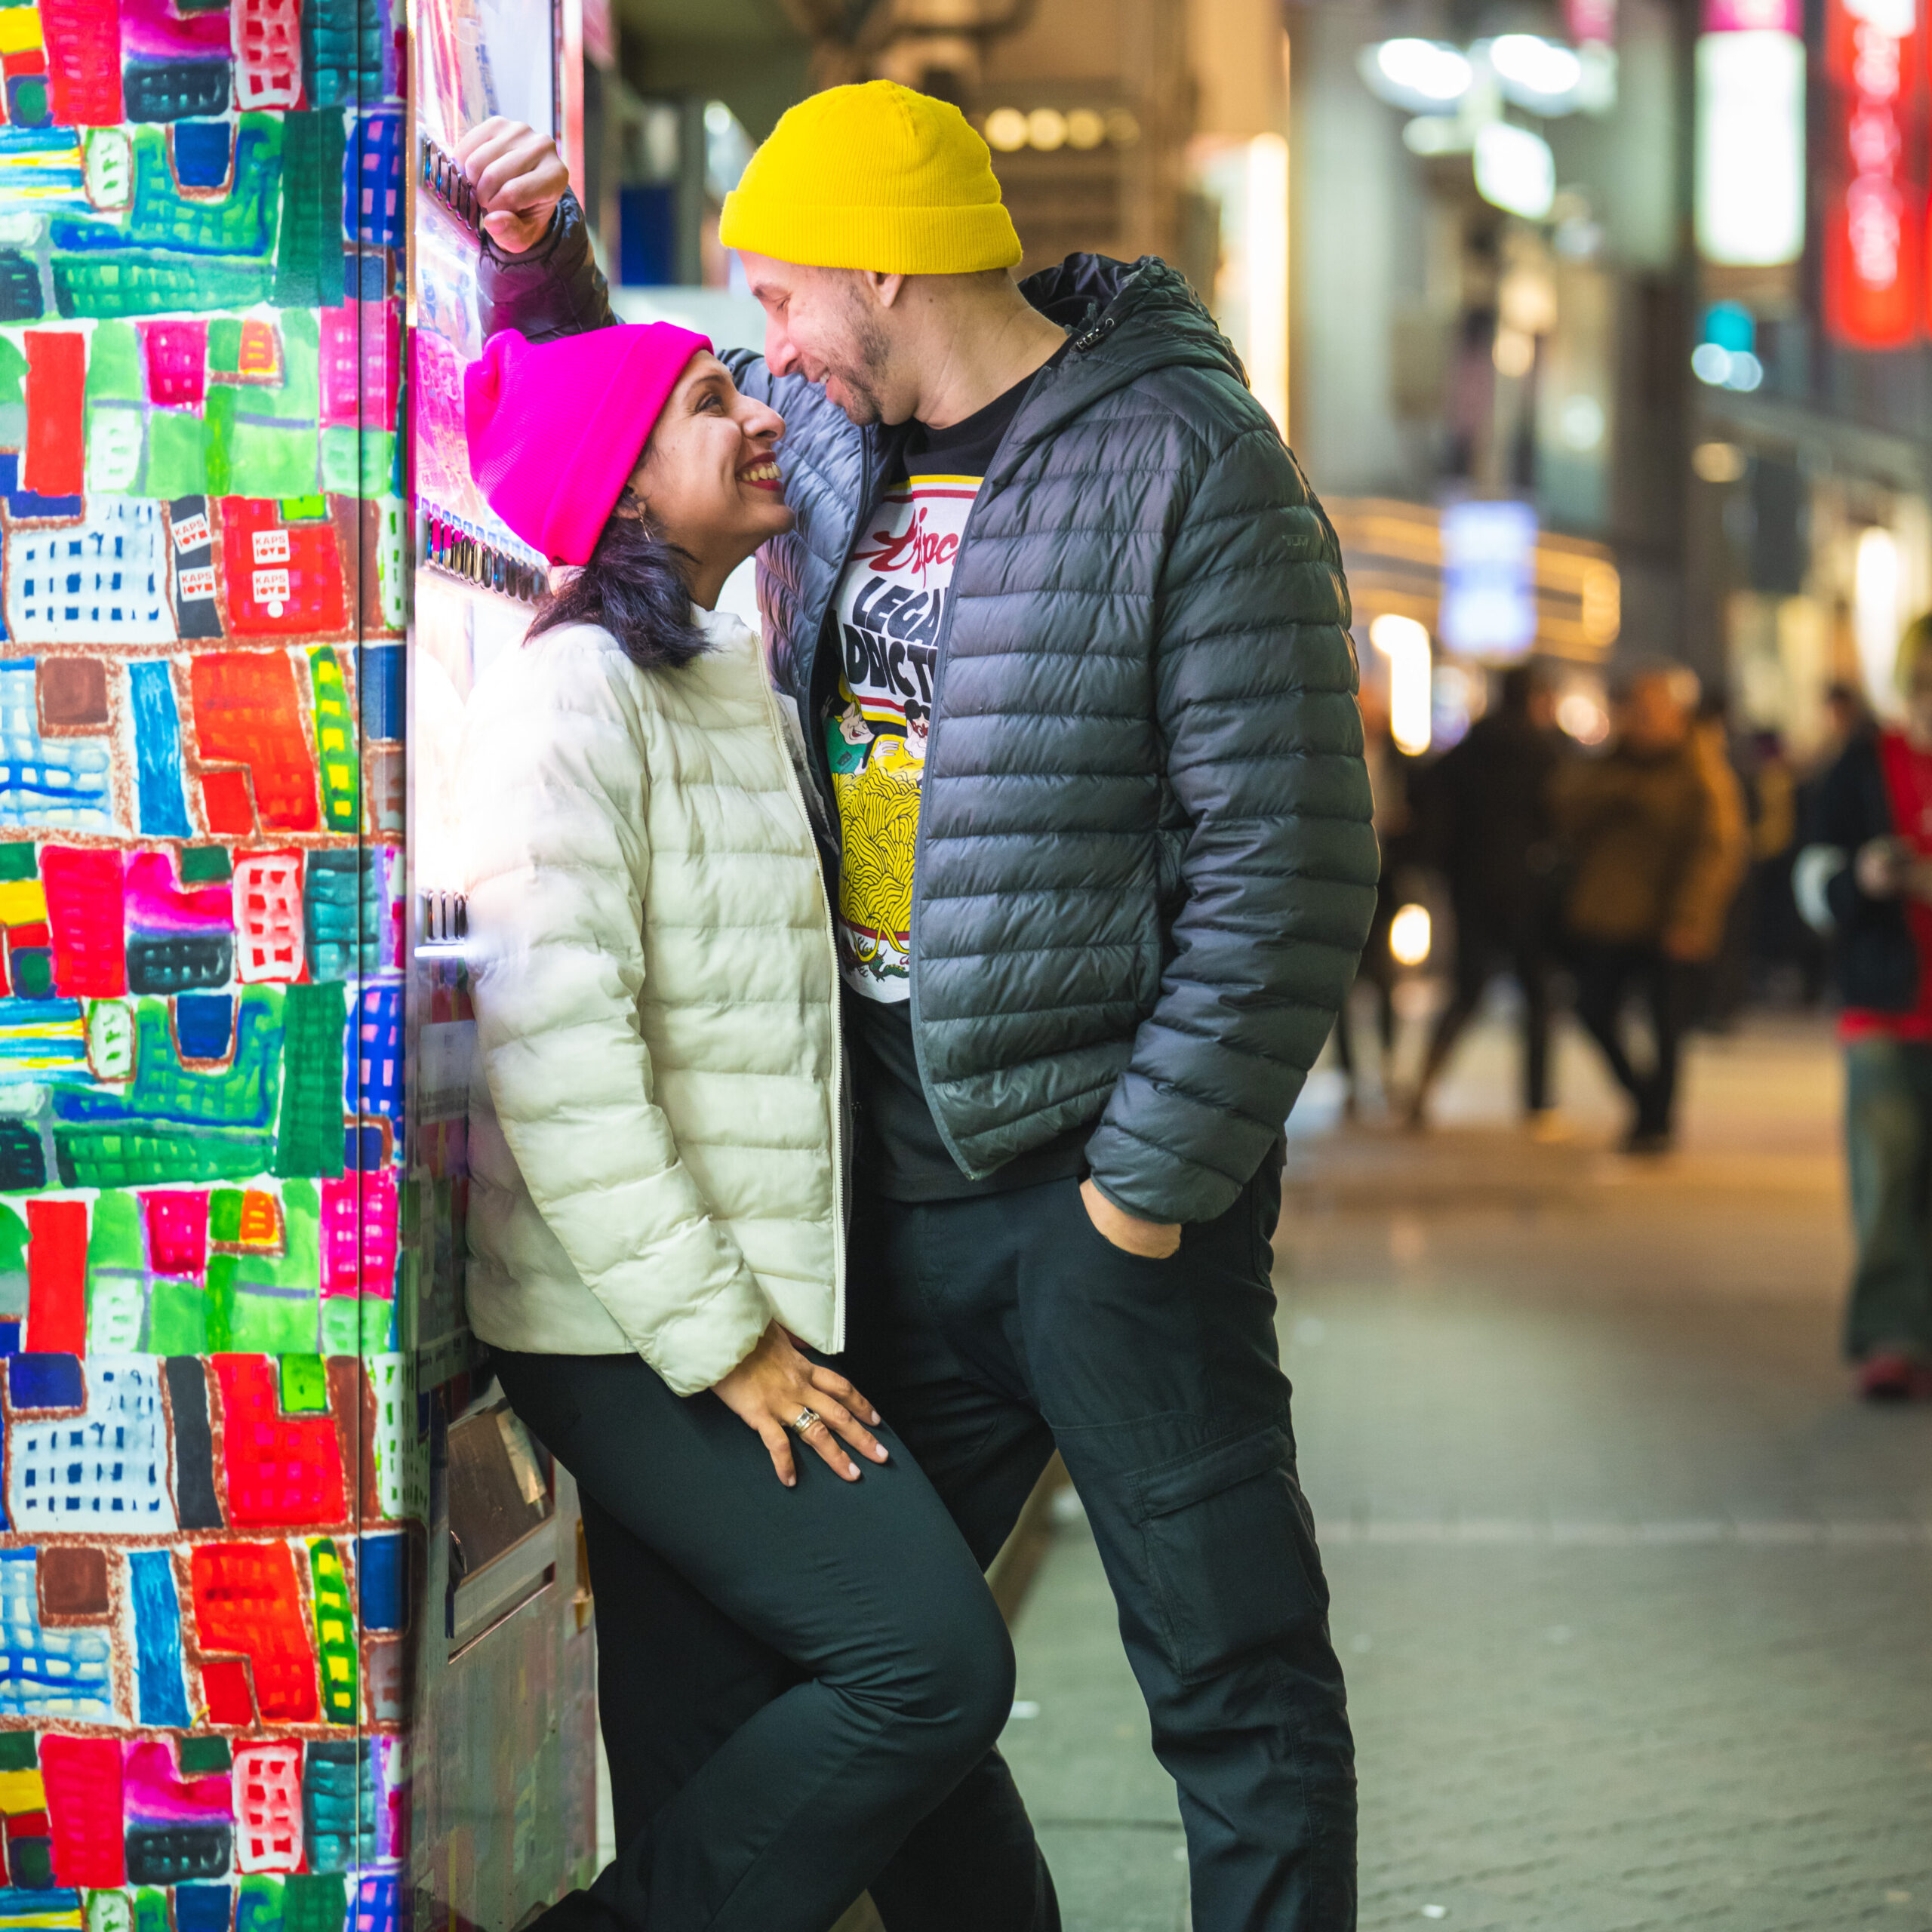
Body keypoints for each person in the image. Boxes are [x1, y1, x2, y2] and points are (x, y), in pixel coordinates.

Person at [457, 81, 1378, 1932]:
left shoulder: (1186, 455)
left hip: (1097, 1199)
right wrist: (536, 264)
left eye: (782, 302)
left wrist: (1142, 1189)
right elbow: (619, 444)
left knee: (1231, 1679)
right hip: (878, 1195)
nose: (765, 351)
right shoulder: (831, 430)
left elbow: (1284, 854)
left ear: (881, 270)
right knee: (876, 1664)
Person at [457, 321, 1019, 1932]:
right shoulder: (571, 696)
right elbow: (556, 1055)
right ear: (621, 485)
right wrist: (731, 1340)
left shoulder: (723, 674)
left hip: (732, 1302)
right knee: (932, 1667)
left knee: (729, 1755)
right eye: (712, 404)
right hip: (632, 1329)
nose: (757, 415)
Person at [1794, 615, 1932, 1401]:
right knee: (1885, 1179)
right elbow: (1811, 879)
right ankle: (1891, 1336)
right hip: (1882, 1005)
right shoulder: (1864, 763)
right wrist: (1866, 879)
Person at [1553, 666, 1747, 1152]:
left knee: (1667, 1026)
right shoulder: (1611, 764)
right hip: (1608, 914)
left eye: (1651, 712)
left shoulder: (1700, 769)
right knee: (1593, 1010)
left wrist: (1692, 918)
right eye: (1635, 711)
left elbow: (1717, 847)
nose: (1640, 722)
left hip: (1668, 918)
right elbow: (1564, 809)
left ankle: (1657, 1122)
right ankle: (1642, 1100)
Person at [1406, 661, 1565, 1131]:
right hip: (1528, 887)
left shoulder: (1470, 748)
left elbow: (1430, 799)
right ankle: (1537, 1105)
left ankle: (1424, 1085)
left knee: (1466, 993)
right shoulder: (1544, 753)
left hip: (1472, 884)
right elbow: (1559, 817)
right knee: (1537, 996)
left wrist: (1439, 863)